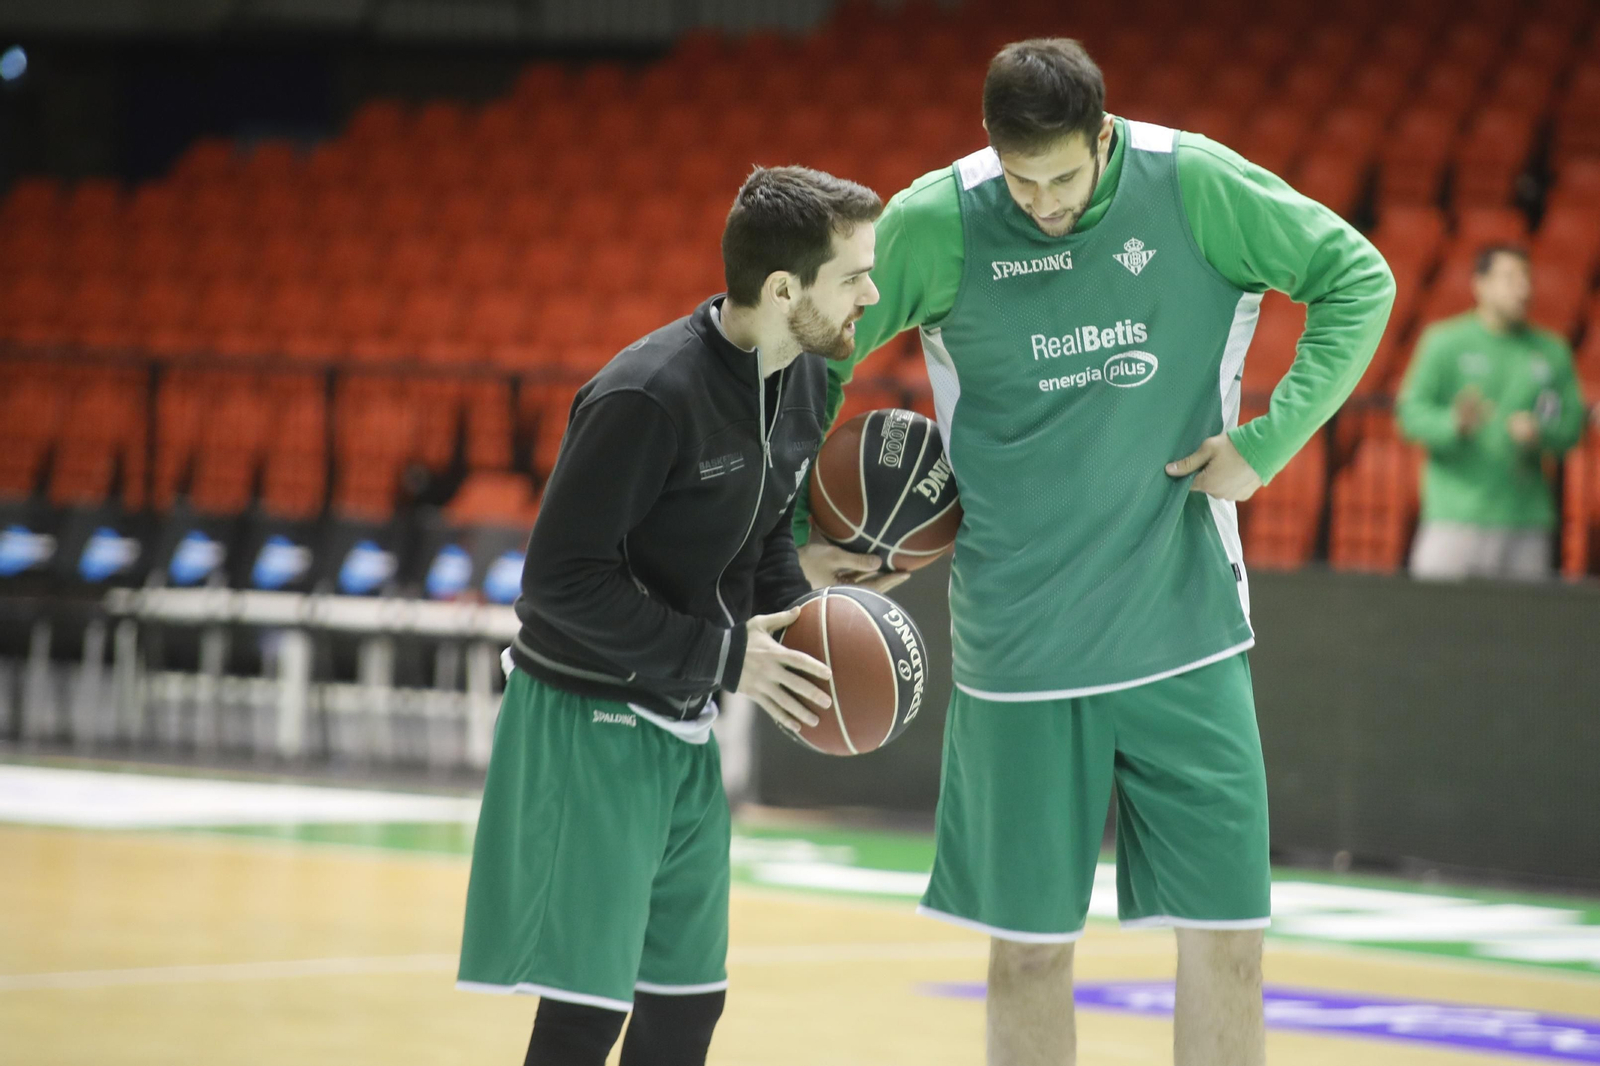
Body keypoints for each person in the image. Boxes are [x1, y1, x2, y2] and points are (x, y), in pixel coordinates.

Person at [792, 39, 1395, 1066]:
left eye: (1063, 177)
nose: (1041, 202)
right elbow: (814, 347)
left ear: (1102, 136)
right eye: (1019, 179)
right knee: (1028, 954)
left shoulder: (1192, 182)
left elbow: (1356, 278)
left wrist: (1264, 443)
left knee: (1227, 939)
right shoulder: (938, 220)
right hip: (1018, 648)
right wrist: (811, 535)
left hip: (1184, 624)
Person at [457, 166, 883, 1066]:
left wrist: (811, 619)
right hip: (586, 722)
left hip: (684, 720)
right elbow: (557, 586)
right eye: (853, 277)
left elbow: (762, 540)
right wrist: (727, 659)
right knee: (582, 1016)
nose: (871, 296)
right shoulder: (647, 395)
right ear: (782, 290)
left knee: (686, 1011)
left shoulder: (803, 382)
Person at [1398, 245, 1585, 581]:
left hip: (1525, 518)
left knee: (1523, 629)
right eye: (1510, 278)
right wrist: (1454, 423)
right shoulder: (1444, 342)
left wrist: (1541, 433)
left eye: (1527, 278)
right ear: (1479, 284)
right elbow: (1410, 415)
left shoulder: (1552, 351)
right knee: (1435, 626)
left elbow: (1572, 424)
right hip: (1454, 516)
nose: (1523, 288)